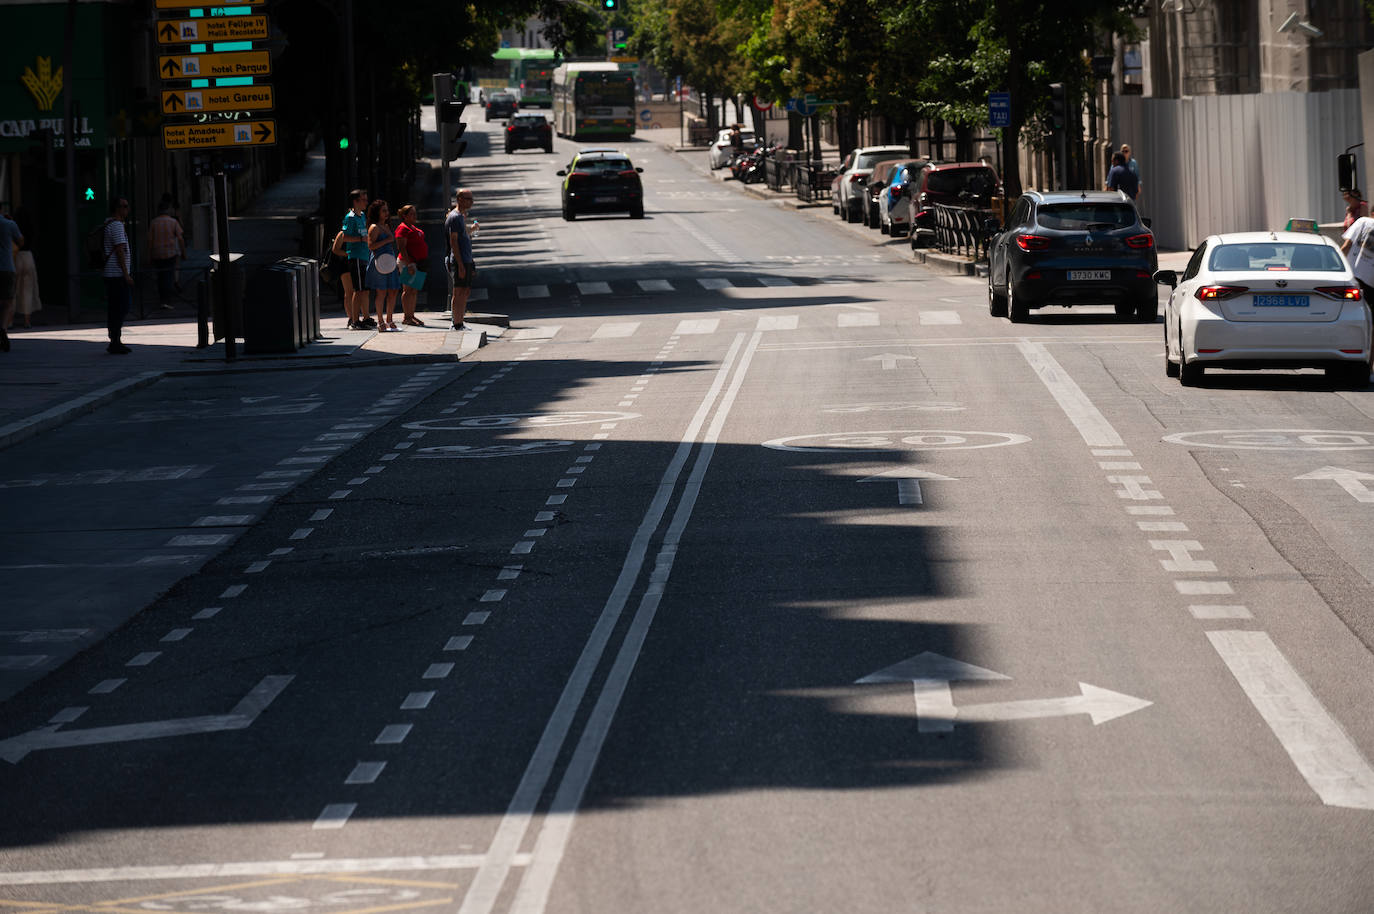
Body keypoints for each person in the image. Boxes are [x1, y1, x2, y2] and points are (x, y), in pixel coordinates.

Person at [100, 198, 134, 354]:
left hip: (112, 274)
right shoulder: (117, 226)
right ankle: (115, 339)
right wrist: (126, 274)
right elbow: (120, 250)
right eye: (124, 206)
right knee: (122, 307)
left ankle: (114, 339)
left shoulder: (110, 224)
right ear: (117, 209)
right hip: (116, 274)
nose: (127, 209)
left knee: (116, 307)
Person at [340, 189, 374, 330]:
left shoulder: (362, 216)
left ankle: (366, 317)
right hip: (356, 257)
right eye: (363, 200)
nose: (366, 202)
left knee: (365, 290)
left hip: (365, 256)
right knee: (358, 290)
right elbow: (344, 237)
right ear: (355, 201)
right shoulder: (350, 217)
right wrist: (361, 239)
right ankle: (354, 320)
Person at [365, 199, 401, 332]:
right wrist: (387, 240)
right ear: (377, 212)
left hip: (389, 261)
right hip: (379, 261)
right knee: (381, 292)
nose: (387, 213)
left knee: (393, 290)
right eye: (383, 210)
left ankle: (390, 320)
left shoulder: (386, 225)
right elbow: (370, 245)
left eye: (387, 210)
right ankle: (380, 321)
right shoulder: (374, 227)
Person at [446, 188, 477, 331]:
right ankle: (456, 323)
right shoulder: (454, 217)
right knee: (458, 291)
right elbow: (454, 242)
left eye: (471, 198)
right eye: (468, 198)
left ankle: (460, 321)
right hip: (460, 260)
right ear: (459, 199)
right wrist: (460, 264)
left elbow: (463, 235)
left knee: (465, 291)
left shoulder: (461, 216)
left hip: (466, 259)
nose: (471, 202)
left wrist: (471, 229)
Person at [147, 198, 185, 311]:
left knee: (160, 277)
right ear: (168, 210)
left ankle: (162, 299)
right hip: (170, 253)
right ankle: (166, 300)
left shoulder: (153, 222)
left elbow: (150, 240)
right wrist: (183, 253)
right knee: (168, 276)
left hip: (157, 253)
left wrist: (149, 255)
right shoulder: (173, 222)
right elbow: (180, 238)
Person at [394, 204, 427, 326]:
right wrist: (409, 264)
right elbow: (401, 247)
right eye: (411, 214)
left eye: (415, 213)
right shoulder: (402, 228)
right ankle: (406, 317)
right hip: (407, 262)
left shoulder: (412, 227)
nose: (415, 216)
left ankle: (411, 315)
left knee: (414, 290)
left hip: (417, 262)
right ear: (404, 216)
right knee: (407, 290)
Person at [11, 207, 39, 329]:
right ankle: (27, 321)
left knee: (12, 291)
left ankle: (9, 320)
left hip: (16, 257)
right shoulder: (30, 227)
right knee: (28, 290)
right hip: (28, 256)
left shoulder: (13, 226)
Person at [0, 207, 23, 352]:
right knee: (7, 302)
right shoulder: (9, 224)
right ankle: (2, 328)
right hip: (7, 267)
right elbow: (21, 241)